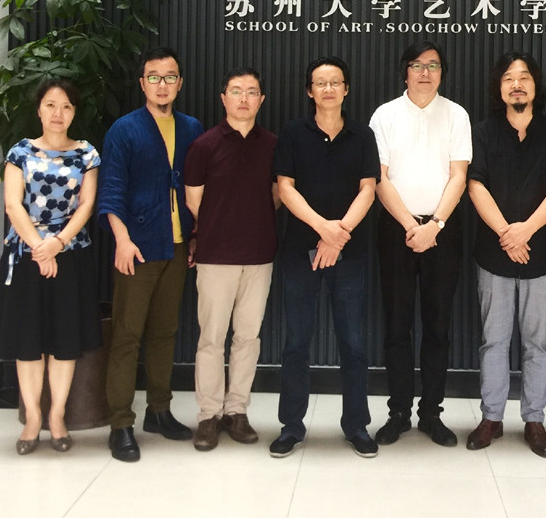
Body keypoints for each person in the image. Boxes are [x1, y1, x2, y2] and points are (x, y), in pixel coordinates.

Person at [0, 79, 101, 454]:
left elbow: (86, 205)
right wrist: (40, 247)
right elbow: (12, 204)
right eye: (51, 105)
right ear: (39, 110)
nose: (57, 113)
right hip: (26, 255)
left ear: (74, 112)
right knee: (28, 343)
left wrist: (57, 244)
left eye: (66, 106)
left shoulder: (87, 154)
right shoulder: (20, 152)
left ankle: (57, 416)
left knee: (65, 342)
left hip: (71, 255)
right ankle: (33, 418)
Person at [270, 56, 380, 458]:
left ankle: (356, 426)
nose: (329, 89)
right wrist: (323, 229)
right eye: (321, 83)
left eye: (336, 82)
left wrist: (338, 236)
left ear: (346, 89)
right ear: (309, 91)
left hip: (350, 254)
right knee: (296, 342)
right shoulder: (292, 133)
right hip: (300, 251)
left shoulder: (363, 135)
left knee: (353, 343)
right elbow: (285, 187)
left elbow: (368, 189)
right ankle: (291, 426)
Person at [98, 46, 203, 462]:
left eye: (170, 77)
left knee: (165, 332)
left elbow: (197, 188)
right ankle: (120, 423)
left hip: (176, 246)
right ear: (143, 83)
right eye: (154, 77)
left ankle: (159, 411)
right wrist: (122, 240)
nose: (163, 85)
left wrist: (195, 236)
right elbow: (111, 189)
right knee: (127, 335)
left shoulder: (191, 127)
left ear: (180, 83)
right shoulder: (124, 129)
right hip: (137, 247)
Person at [466, 52, 546, 457]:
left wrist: (525, 231)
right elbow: (475, 185)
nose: (516, 84)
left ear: (535, 86)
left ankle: (535, 420)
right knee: (493, 341)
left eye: (524, 77)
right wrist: (506, 234)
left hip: (542, 256)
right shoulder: (482, 133)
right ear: (499, 88)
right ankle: (491, 418)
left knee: (538, 344)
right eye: (508, 78)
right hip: (493, 255)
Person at [369, 40, 472, 447]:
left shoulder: (456, 114)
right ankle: (398, 412)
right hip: (396, 229)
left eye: (433, 65)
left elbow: (459, 176)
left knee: (438, 327)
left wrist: (435, 224)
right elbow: (379, 178)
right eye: (417, 65)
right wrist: (412, 225)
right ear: (405, 72)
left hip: (443, 230)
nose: (425, 72)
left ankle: (431, 413)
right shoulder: (385, 115)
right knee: (397, 326)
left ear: (442, 72)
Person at [184, 67, 279, 452]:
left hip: (259, 255)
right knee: (211, 338)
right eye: (236, 91)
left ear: (261, 100)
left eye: (251, 91)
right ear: (223, 98)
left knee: (248, 337)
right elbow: (194, 201)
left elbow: (277, 196)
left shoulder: (272, 145)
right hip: (215, 256)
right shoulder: (204, 145)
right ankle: (208, 415)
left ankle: (236, 411)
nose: (243, 98)